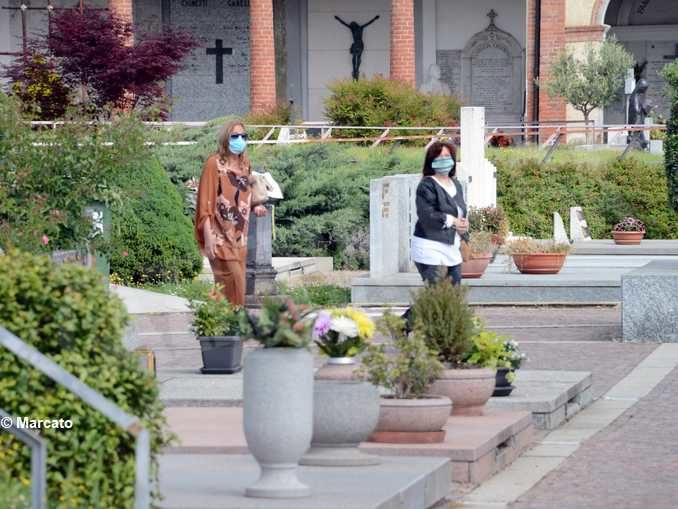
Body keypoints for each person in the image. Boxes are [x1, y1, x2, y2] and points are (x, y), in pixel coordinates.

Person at [195, 120, 267, 306]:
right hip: (218, 235)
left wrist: (255, 206)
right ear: (225, 139)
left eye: (243, 136)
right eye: (235, 136)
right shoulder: (214, 164)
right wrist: (208, 236)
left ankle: (222, 323)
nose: (240, 140)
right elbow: (205, 201)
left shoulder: (245, 165)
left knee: (232, 284)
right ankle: (225, 321)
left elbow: (243, 194)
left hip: (239, 237)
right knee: (231, 279)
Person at [402, 141, 469, 331]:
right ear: (431, 161)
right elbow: (426, 215)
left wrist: (463, 226)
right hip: (429, 246)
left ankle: (443, 334)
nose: (443, 161)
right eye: (438, 157)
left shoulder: (456, 184)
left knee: (453, 293)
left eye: (447, 157)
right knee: (436, 293)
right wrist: (452, 220)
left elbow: (460, 212)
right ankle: (405, 325)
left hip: (451, 245)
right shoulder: (427, 185)